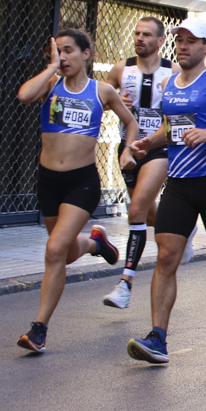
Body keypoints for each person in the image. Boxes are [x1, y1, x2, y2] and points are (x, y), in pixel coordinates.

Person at [125, 18, 206, 364]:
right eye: (179, 40)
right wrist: (147, 142)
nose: (183, 46)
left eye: (191, 41)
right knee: (167, 256)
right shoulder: (169, 83)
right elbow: (172, 127)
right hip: (179, 184)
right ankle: (158, 338)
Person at [13, 30, 136, 352]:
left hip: (82, 181)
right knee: (64, 252)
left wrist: (127, 151)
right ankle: (95, 244)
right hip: (48, 181)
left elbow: (131, 122)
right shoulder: (49, 85)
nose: (63, 57)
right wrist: (51, 68)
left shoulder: (102, 91)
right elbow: (24, 96)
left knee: (54, 251)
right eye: (57, 52)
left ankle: (39, 329)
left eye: (68, 51)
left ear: (86, 53)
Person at [102, 17, 181, 309]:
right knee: (147, 214)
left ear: (161, 41)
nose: (140, 38)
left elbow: (183, 105)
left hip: (159, 149)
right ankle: (179, 230)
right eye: (137, 33)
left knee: (135, 211)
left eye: (147, 35)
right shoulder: (121, 69)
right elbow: (101, 97)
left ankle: (125, 283)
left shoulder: (172, 71)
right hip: (129, 149)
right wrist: (115, 100)